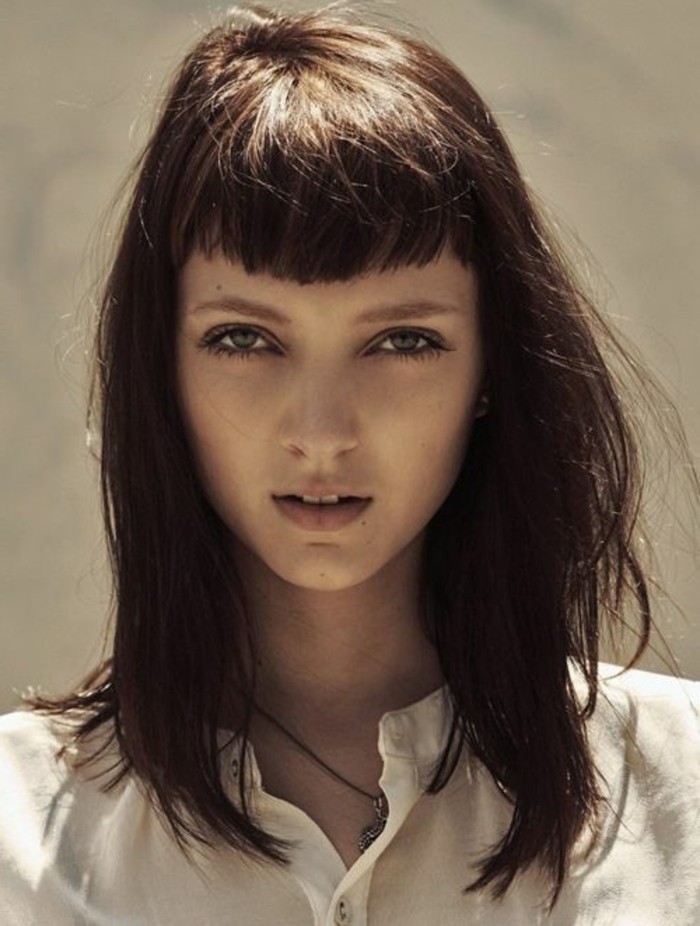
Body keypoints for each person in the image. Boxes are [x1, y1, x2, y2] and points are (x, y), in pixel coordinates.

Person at [1, 4, 698, 924]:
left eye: (402, 341)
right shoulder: (19, 835)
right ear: (157, 369)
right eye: (244, 338)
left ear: (493, 367)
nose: (322, 432)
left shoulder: (680, 793)